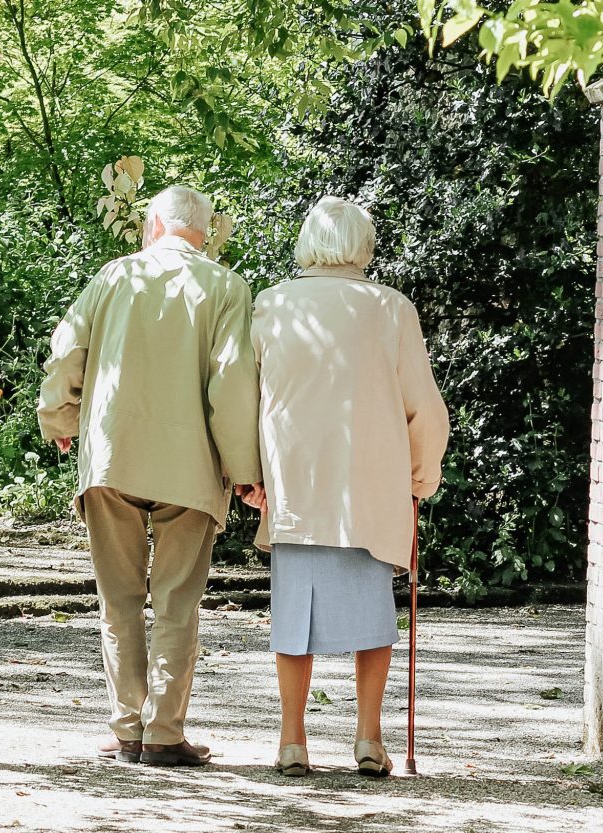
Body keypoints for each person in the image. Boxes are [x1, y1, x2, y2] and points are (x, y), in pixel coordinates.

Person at [37, 185, 263, 768]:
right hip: (190, 466)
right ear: (205, 233)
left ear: (153, 224)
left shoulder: (112, 277)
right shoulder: (226, 287)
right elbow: (232, 384)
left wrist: (58, 416)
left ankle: (126, 729)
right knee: (176, 602)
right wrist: (245, 471)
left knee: (118, 599)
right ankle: (163, 733)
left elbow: (68, 353)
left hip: (114, 456)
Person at [246, 195, 449, 777]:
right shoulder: (390, 310)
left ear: (308, 243)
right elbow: (424, 409)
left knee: (292, 616)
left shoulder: (272, 305)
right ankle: (367, 737)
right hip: (370, 484)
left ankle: (292, 740)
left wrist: (250, 475)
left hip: (296, 483)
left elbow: (247, 400)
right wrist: (420, 476)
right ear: (364, 246)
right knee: (372, 615)